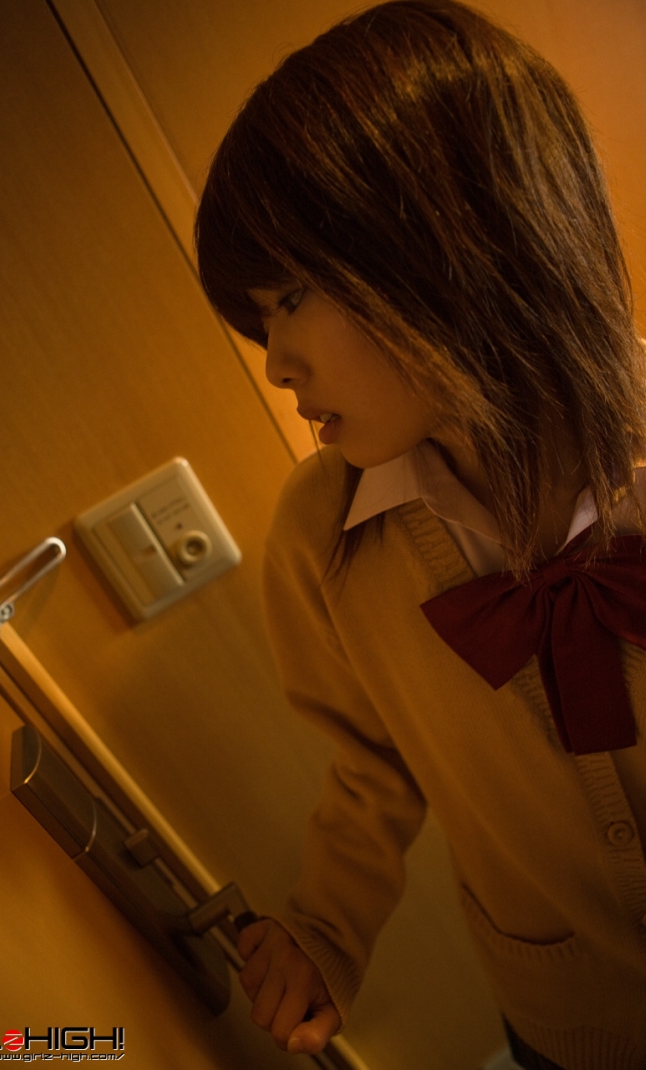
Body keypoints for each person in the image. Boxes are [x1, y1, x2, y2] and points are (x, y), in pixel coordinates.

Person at [194, 2, 646, 1067]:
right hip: (568, 1022)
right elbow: (370, 766)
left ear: (452, 241)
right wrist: (323, 930)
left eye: (289, 298)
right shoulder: (324, 542)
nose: (275, 362)